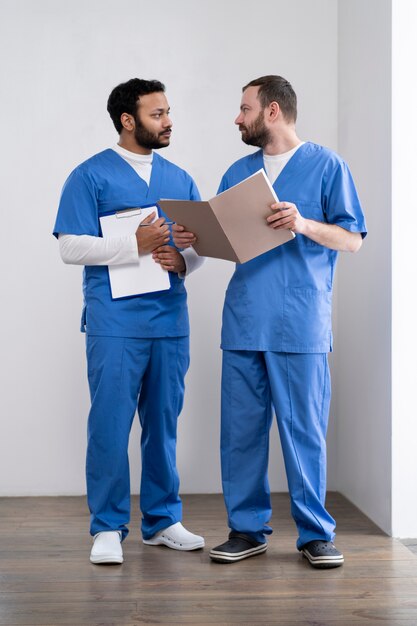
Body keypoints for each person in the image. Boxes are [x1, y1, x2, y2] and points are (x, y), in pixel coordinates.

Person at [173, 75, 366, 569]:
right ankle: (246, 528)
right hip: (244, 321)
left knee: (304, 431)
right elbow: (218, 244)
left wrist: (302, 223)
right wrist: (192, 235)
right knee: (240, 432)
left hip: (299, 321)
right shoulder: (238, 171)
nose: (237, 118)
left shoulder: (327, 166)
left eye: (244, 109)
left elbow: (352, 239)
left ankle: (315, 534)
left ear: (273, 111)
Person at [53, 78, 205, 564]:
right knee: (111, 424)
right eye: (158, 114)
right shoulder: (89, 176)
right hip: (114, 322)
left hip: (169, 321)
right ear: (128, 120)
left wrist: (185, 262)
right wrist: (131, 245)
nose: (168, 121)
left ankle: (162, 520)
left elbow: (200, 245)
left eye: (168, 111)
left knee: (163, 424)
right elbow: (69, 246)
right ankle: (108, 527)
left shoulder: (180, 178)